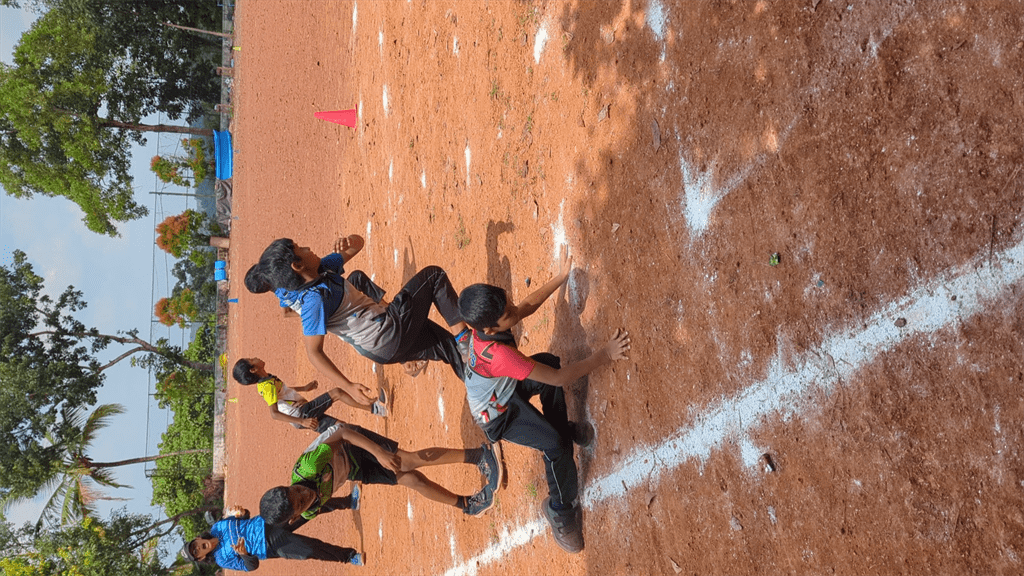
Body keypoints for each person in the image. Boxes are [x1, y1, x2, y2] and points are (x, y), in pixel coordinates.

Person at [455, 246, 630, 554]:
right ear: (489, 328)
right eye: (507, 314)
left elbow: (525, 306)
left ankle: (562, 429)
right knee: (555, 445)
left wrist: (560, 278)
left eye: (507, 303)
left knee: (547, 364)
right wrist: (604, 354)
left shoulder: (490, 326)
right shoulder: (500, 355)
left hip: (503, 389)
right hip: (498, 415)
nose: (513, 310)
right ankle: (560, 511)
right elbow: (560, 379)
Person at [249, 234, 467, 407]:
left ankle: (481, 392)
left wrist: (350, 241)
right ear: (297, 266)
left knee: (447, 346)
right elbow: (313, 353)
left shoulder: (322, 269)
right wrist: (348, 386)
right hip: (388, 332)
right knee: (433, 276)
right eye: (300, 249)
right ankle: (465, 340)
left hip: (382, 347)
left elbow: (357, 245)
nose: (307, 248)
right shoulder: (313, 301)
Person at [259, 422, 503, 527]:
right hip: (352, 469)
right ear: (296, 516)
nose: (305, 493)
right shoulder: (310, 511)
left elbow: (342, 433)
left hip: (349, 443)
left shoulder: (310, 467)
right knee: (411, 479)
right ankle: (467, 504)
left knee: (406, 461)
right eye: (301, 502)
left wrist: (378, 452)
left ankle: (479, 456)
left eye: (297, 490)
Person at [181, 505, 362, 571]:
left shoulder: (217, 526)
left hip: (267, 522)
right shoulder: (222, 559)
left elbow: (244, 517)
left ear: (197, 538)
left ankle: (348, 501)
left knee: (305, 508)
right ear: (201, 558)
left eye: (194, 546)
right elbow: (251, 566)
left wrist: (242, 512)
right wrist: (244, 554)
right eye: (196, 553)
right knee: (311, 548)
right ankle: (348, 556)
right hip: (270, 545)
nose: (198, 548)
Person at [232, 357, 388, 432]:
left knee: (341, 428)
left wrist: (304, 388)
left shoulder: (267, 382)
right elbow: (274, 414)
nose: (255, 358)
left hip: (301, 415)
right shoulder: (267, 387)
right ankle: (375, 408)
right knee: (337, 393)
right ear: (253, 369)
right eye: (251, 360)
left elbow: (282, 392)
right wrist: (302, 421)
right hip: (302, 413)